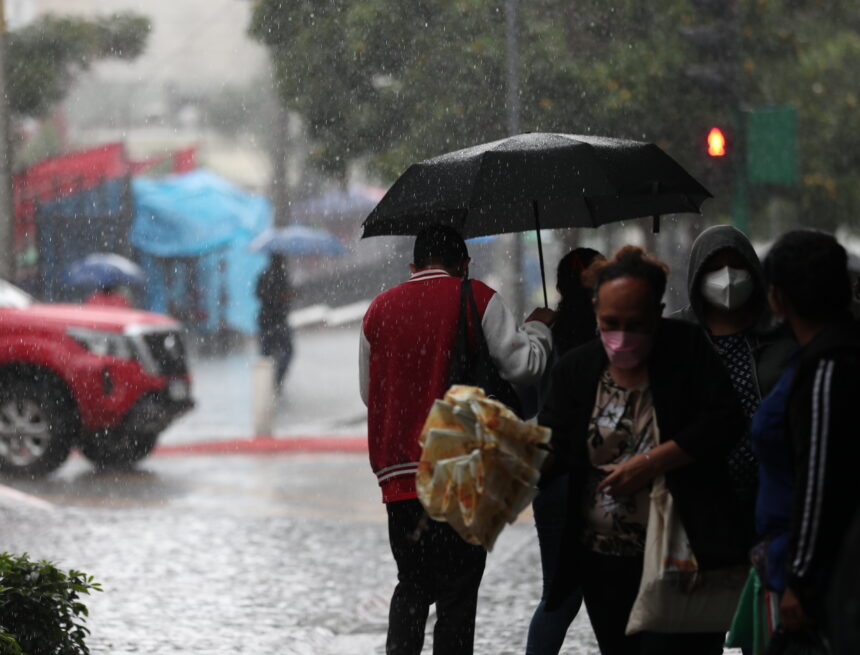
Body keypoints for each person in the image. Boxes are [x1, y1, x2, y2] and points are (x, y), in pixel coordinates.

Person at [539, 246, 748, 655]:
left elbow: (725, 420)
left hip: (684, 558)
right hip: (605, 562)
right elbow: (556, 446)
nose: (622, 336)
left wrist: (655, 461)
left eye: (636, 324)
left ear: (658, 312)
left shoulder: (688, 350)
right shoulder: (578, 370)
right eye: (610, 323)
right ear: (595, 311)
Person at [359, 225, 555, 654]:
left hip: (400, 481)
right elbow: (524, 368)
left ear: (413, 267)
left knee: (411, 585)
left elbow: (367, 393)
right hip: (461, 471)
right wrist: (540, 330)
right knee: (457, 594)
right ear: (464, 264)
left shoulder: (378, 310)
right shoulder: (478, 297)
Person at [750, 230, 860, 647]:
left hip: (821, 578)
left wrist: (800, 578)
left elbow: (819, 482)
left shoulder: (828, 368)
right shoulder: (822, 358)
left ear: (777, 298)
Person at [674, 225, 795, 534]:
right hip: (704, 499)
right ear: (697, 274)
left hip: (778, 494)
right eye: (714, 268)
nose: (727, 277)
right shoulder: (678, 337)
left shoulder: (783, 332)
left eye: (736, 266)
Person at [526, 247, 603, 655]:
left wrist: (534, 335)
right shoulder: (615, 332)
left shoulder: (548, 334)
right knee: (615, 594)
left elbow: (521, 399)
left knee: (559, 595)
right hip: (605, 475)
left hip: (554, 475)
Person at [255, 254, 293, 391]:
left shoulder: (263, 275)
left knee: (265, 355)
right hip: (278, 320)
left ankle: (266, 384)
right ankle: (277, 381)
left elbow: (257, 294)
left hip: (265, 320)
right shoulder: (282, 276)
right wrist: (283, 296)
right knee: (287, 351)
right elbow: (285, 297)